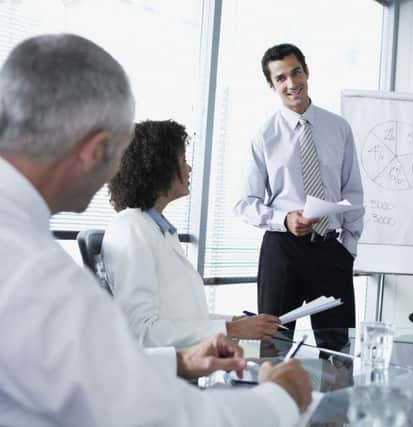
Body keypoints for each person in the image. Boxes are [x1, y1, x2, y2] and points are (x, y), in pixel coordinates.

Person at [0, 33, 311, 426]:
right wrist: (281, 398)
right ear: (94, 149)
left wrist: (179, 361)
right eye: (117, 150)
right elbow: (153, 414)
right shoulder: (35, 275)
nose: (116, 169)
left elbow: (94, 370)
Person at [102, 119, 280, 348]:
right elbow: (141, 332)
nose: (189, 168)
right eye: (183, 160)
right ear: (160, 167)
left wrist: (235, 322)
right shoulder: (130, 229)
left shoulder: (155, 228)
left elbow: (183, 319)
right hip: (163, 376)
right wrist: (231, 330)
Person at [233, 43, 364, 340]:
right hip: (283, 250)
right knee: (273, 346)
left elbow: (353, 192)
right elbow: (245, 203)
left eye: (296, 72)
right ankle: (272, 388)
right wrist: (284, 219)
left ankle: (335, 387)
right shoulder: (264, 135)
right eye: (281, 78)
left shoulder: (339, 128)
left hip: (332, 251)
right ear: (271, 84)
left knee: (339, 352)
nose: (292, 84)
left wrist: (349, 248)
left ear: (307, 71)